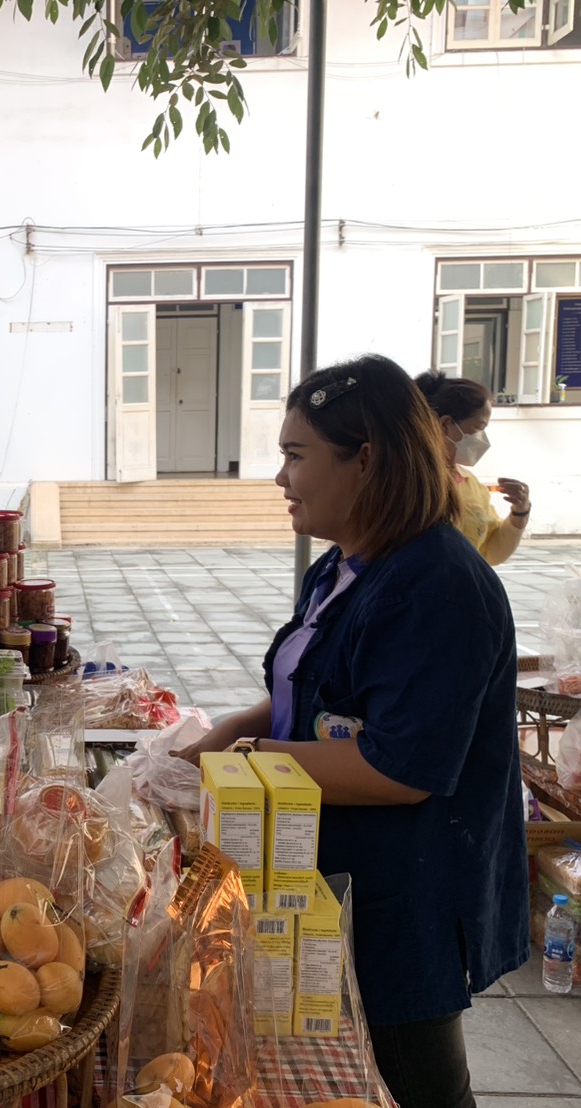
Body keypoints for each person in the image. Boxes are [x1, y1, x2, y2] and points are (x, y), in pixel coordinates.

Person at [177, 355, 528, 1108]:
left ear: (364, 460)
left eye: (295, 456)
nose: (280, 478)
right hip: (329, 878)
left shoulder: (437, 587)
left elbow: (398, 770)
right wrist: (232, 728)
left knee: (415, 1077)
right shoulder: (343, 566)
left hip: (401, 892)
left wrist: (249, 760)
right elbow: (310, 691)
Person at [415, 371, 531, 566]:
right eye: (478, 428)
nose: (482, 439)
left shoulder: (469, 483)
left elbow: (489, 551)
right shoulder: (410, 482)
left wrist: (520, 513)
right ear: (445, 425)